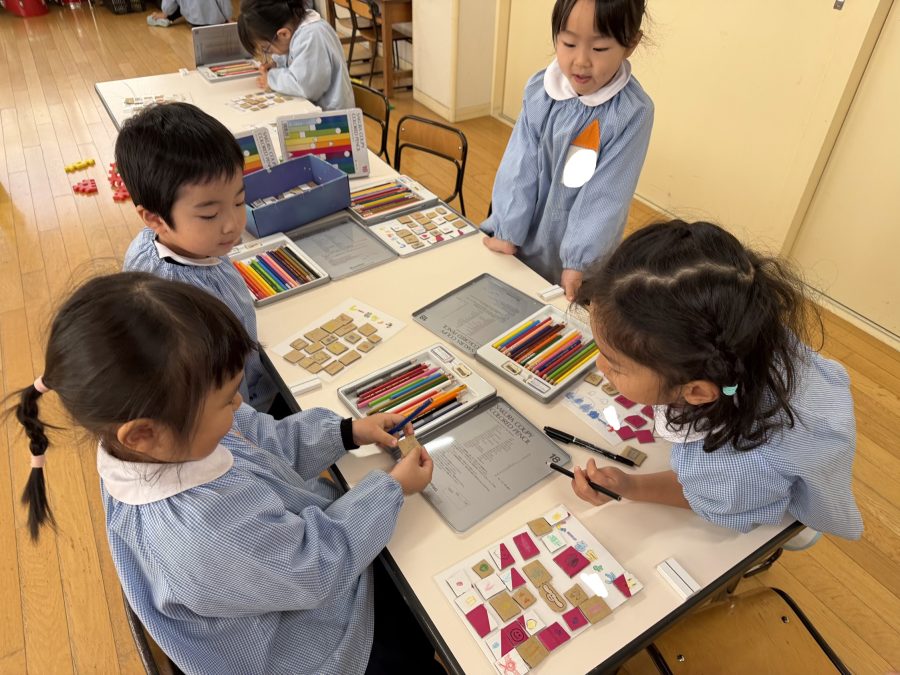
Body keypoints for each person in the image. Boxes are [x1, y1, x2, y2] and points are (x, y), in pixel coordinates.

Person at [13, 272, 441, 675]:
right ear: (143, 434)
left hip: (295, 575)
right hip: (312, 651)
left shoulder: (163, 439)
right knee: (424, 620)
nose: (239, 403)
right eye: (226, 400)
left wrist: (346, 432)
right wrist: (391, 489)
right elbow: (313, 569)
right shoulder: (203, 532)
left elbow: (265, 439)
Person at [569, 220, 863, 542]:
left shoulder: (730, 470)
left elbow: (703, 495)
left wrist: (631, 486)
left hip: (773, 498)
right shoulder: (743, 328)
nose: (599, 366)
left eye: (615, 365)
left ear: (695, 391)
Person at [481, 0, 653, 301]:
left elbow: (606, 196)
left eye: (599, 48)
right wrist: (507, 230)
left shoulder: (631, 113)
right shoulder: (541, 90)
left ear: (631, 44)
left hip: (577, 266)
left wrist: (578, 261)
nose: (581, 61)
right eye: (569, 43)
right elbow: (520, 164)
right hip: (520, 243)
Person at [117, 102, 280, 414]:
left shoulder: (195, 244)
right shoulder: (174, 305)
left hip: (252, 382)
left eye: (239, 201)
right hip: (237, 417)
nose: (233, 224)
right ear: (154, 219)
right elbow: (214, 412)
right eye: (209, 214)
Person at [237, 0, 354, 110]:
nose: (270, 54)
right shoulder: (298, 26)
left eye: (266, 49)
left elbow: (305, 87)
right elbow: (296, 59)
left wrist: (271, 79)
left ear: (283, 34)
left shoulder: (310, 36)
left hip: (333, 118)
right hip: (317, 110)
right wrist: (277, 63)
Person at [147, 0, 231, 27]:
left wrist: (165, 12)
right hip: (217, 20)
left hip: (195, 21)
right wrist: (228, 18)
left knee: (175, 5)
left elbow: (169, 3)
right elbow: (224, 2)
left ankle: (167, 18)